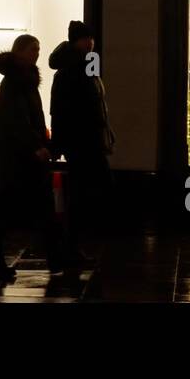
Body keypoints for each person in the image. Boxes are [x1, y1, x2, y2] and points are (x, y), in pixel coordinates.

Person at [0, 34, 62, 285]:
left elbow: (25, 120)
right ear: (21, 52)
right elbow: (18, 122)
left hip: (17, 160)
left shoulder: (21, 80)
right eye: (33, 49)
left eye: (38, 49)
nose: (36, 53)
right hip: (16, 161)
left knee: (3, 215)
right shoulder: (17, 82)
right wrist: (36, 147)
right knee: (5, 215)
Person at [49, 21, 115, 261]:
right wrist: (59, 142)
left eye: (91, 38)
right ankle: (71, 244)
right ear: (76, 41)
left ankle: (72, 242)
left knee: (85, 192)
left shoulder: (84, 66)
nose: (91, 42)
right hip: (82, 142)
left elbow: (96, 105)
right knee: (84, 192)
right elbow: (62, 110)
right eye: (86, 38)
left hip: (88, 140)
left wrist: (105, 131)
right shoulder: (71, 70)